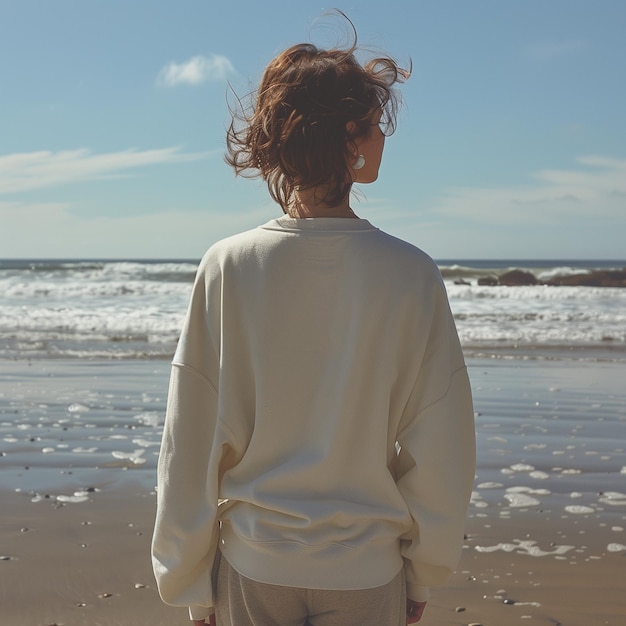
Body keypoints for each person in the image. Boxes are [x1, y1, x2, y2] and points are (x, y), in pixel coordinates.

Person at [152, 18, 475, 626]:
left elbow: (191, 439)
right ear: (349, 136)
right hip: (367, 570)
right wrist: (426, 566)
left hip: (254, 565)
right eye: (376, 126)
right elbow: (442, 442)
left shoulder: (228, 265)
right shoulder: (410, 272)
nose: (382, 140)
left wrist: (189, 579)